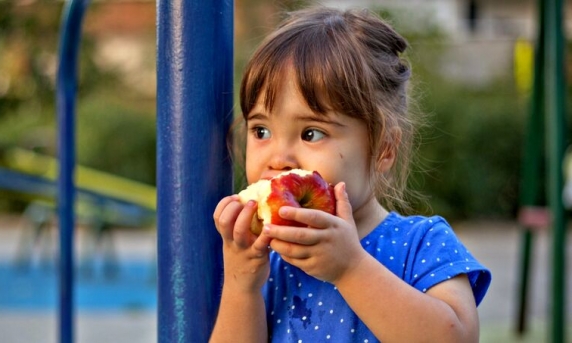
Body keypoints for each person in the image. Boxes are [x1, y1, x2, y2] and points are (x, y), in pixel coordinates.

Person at [210, 6, 491, 343]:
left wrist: (351, 269)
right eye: (261, 131)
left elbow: (457, 338)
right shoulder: (268, 263)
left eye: (311, 133)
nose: (278, 159)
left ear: (384, 148)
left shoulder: (422, 245)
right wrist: (242, 286)